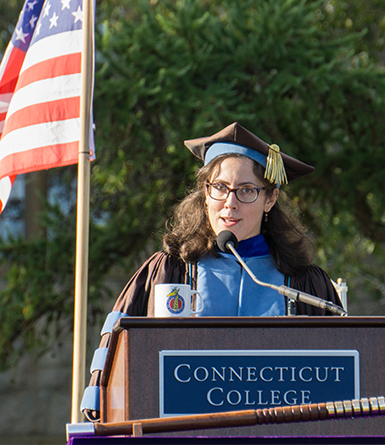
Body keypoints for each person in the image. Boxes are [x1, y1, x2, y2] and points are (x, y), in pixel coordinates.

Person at [80, 122, 343, 420]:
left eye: (246, 190)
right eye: (219, 187)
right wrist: (98, 405)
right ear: (205, 193)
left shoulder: (303, 283)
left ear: (270, 199)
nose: (229, 204)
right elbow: (114, 356)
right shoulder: (169, 271)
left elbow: (335, 380)